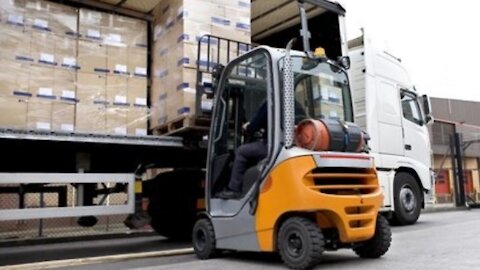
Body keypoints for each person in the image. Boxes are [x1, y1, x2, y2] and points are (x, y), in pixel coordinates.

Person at [217, 101, 268, 199]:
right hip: (285, 144)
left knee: (241, 151)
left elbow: (254, 126)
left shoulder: (270, 104)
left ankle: (234, 189)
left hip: (270, 145)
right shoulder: (291, 103)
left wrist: (248, 127)